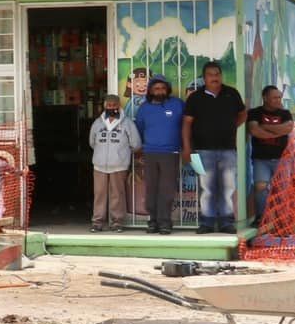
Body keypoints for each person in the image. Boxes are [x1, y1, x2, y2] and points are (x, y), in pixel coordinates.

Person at [180, 61, 245, 233]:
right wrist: (187, 148)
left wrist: (229, 127)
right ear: (204, 78)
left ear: (221, 76)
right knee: (207, 187)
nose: (214, 78)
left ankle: (226, 222)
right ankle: (207, 223)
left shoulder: (232, 94)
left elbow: (242, 114)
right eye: (210, 75)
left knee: (228, 187)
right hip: (202, 150)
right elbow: (187, 124)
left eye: (217, 74)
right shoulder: (195, 97)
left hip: (228, 150)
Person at [133, 75, 183, 234]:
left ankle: (165, 222)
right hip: (150, 153)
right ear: (150, 91)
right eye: (156, 88)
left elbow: (187, 125)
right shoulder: (144, 108)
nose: (159, 91)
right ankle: (153, 221)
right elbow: (139, 129)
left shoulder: (177, 104)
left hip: (170, 152)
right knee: (151, 189)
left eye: (162, 88)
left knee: (166, 189)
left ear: (167, 89)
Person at [87, 95, 140, 232]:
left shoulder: (127, 123)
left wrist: (121, 155)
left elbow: (135, 144)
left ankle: (116, 222)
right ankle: (97, 222)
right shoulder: (98, 123)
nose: (111, 108)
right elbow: (92, 143)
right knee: (99, 194)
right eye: (108, 105)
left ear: (119, 106)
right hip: (99, 165)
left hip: (119, 165)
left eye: (114, 105)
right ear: (105, 107)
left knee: (117, 194)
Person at [245, 85, 294, 224]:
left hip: (282, 159)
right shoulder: (254, 113)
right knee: (260, 187)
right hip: (261, 159)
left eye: (279, 97)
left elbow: (288, 128)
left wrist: (265, 127)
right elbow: (254, 131)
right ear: (265, 98)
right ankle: (262, 217)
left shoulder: (285, 113)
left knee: (282, 190)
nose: (278, 100)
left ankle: (281, 221)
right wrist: (277, 131)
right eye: (275, 97)